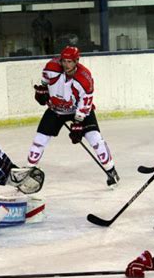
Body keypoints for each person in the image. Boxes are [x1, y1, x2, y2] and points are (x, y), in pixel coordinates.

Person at [28, 46, 120, 188]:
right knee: (39, 140)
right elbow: (44, 83)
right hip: (56, 109)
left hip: (78, 110)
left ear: (77, 60)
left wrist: (78, 122)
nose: (66, 65)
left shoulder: (84, 78)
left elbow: (86, 102)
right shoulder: (51, 68)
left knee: (95, 139)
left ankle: (111, 170)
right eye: (64, 61)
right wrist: (42, 93)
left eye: (70, 62)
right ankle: (27, 172)